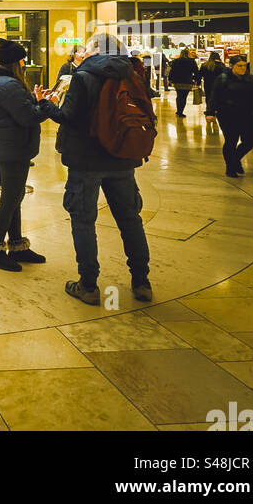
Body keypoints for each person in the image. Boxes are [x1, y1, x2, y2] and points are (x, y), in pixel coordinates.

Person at [43, 33, 154, 305]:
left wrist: (47, 105)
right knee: (130, 220)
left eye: (88, 48)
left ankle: (89, 284)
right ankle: (141, 281)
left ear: (95, 50)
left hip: (86, 159)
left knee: (83, 220)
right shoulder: (133, 74)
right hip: (123, 157)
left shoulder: (83, 76)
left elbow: (68, 117)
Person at [0, 37, 53, 271]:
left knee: (15, 197)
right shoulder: (8, 84)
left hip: (8, 145)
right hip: (12, 148)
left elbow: (16, 109)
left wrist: (34, 99)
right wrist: (45, 104)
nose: (24, 64)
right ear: (15, 62)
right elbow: (28, 116)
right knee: (9, 200)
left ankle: (18, 246)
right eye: (22, 60)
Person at [212, 55, 253, 177]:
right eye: (239, 66)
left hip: (246, 114)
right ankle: (230, 167)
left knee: (250, 141)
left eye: (244, 65)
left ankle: (235, 160)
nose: (242, 68)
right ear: (232, 66)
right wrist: (210, 112)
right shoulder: (223, 78)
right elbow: (214, 96)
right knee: (231, 141)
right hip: (227, 114)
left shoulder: (251, 79)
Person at [167, 46, 200, 119]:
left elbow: (172, 71)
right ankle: (180, 112)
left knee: (179, 96)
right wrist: (197, 80)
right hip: (187, 81)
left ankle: (178, 111)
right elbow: (196, 72)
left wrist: (170, 79)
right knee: (184, 97)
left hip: (177, 81)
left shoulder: (176, 61)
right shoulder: (192, 61)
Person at [200, 50, 224, 126]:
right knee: (217, 98)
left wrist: (197, 82)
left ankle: (209, 111)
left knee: (208, 98)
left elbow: (200, 74)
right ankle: (215, 111)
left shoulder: (205, 65)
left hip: (208, 84)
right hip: (219, 85)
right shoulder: (221, 65)